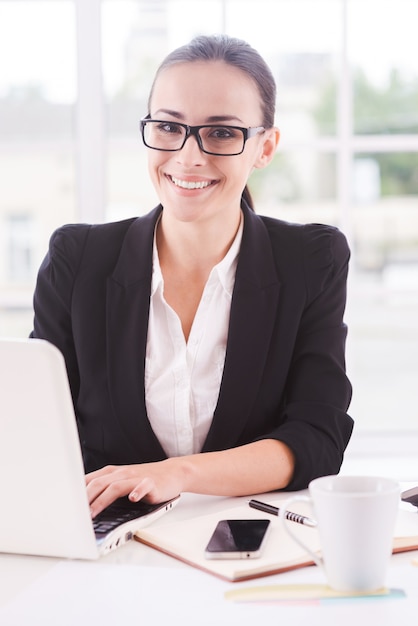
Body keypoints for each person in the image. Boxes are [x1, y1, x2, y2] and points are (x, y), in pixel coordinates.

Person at [31, 34, 353, 518]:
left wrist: (178, 473)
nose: (188, 157)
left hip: (244, 542)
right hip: (104, 548)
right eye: (168, 127)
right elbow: (38, 430)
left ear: (265, 147)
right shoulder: (77, 260)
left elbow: (317, 438)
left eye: (221, 133)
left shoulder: (311, 260)